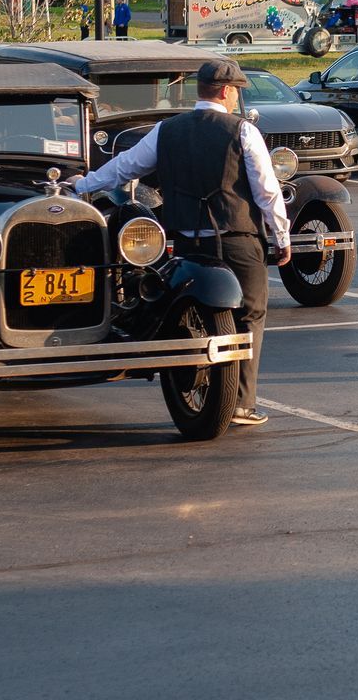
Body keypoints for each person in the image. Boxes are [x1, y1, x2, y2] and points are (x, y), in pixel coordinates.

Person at [73, 58, 290, 427]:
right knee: (249, 315)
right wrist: (281, 235)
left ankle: (199, 387)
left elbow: (125, 167)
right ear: (225, 91)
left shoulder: (166, 130)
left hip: (189, 243)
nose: (237, 96)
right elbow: (267, 192)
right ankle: (239, 402)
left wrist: (81, 185)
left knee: (191, 316)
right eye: (236, 89)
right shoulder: (243, 131)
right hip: (237, 240)